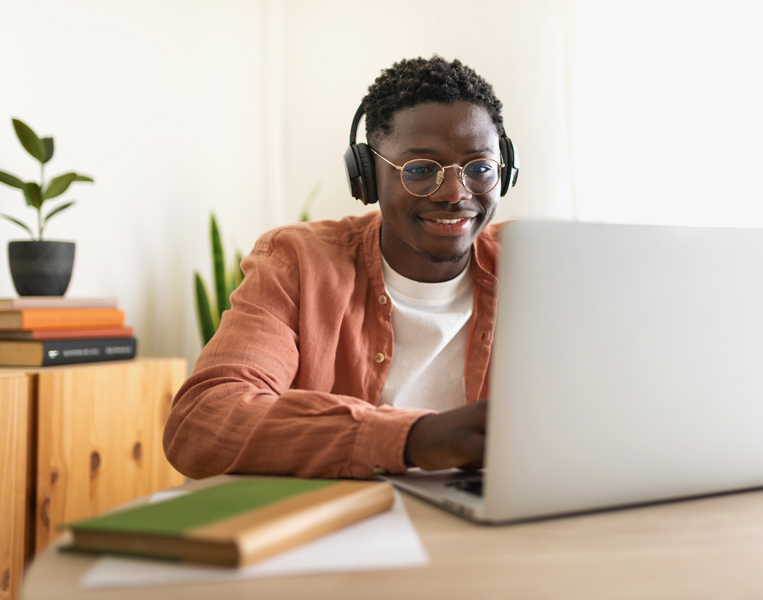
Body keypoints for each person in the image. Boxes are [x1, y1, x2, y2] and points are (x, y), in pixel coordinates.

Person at [163, 56, 518, 480]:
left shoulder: (535, 266)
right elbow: (202, 422)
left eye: (479, 168)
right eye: (421, 170)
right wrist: (412, 437)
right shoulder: (297, 263)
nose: (455, 193)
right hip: (344, 525)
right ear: (365, 176)